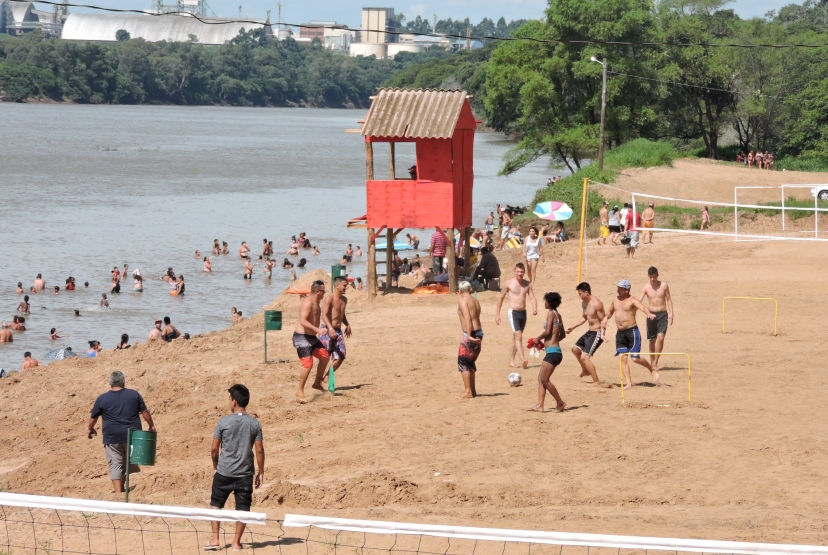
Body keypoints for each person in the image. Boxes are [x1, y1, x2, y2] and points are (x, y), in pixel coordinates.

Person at [204, 384, 264, 552]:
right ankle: (236, 543)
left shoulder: (223, 422)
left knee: (216, 504)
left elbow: (214, 448)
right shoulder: (255, 424)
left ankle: (215, 539)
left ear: (235, 402)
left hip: (224, 471)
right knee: (243, 508)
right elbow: (259, 449)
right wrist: (261, 472)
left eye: (229, 399)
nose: (229, 402)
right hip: (245, 474)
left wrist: (215, 466)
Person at [88, 371, 156, 498]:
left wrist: (89, 428)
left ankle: (118, 493)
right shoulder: (133, 394)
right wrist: (151, 425)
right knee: (127, 462)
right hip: (132, 435)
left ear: (110, 383)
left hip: (112, 436)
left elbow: (94, 417)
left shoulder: (103, 398)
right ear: (123, 381)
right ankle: (121, 490)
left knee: (115, 463)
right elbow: (144, 412)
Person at [601, 279, 659, 388]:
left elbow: (642, 307)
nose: (618, 290)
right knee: (622, 357)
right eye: (618, 288)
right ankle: (628, 383)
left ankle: (651, 369)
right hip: (620, 334)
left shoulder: (632, 300)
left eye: (620, 288)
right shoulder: (615, 300)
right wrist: (605, 318)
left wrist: (649, 314)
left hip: (632, 332)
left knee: (635, 358)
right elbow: (610, 311)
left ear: (626, 290)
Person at [293, 280, 331, 404]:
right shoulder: (308, 302)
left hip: (312, 337)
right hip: (301, 337)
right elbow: (303, 321)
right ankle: (300, 391)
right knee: (308, 364)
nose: (325, 293)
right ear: (317, 291)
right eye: (323, 291)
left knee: (325, 356)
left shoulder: (316, 302)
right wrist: (318, 330)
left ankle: (317, 383)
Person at [528, 292, 567, 413]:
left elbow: (548, 331)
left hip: (553, 353)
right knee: (540, 378)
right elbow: (563, 334)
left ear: (549, 302)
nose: (544, 303)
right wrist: (549, 343)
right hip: (553, 351)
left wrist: (537, 339)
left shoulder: (550, 313)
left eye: (545, 301)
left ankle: (560, 402)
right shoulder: (558, 314)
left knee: (545, 380)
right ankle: (540, 405)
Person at [495, 263, 538, 369]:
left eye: (522, 272)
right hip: (513, 312)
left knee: (516, 338)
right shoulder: (508, 283)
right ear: (515, 271)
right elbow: (501, 297)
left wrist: (534, 307)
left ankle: (511, 361)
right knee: (518, 336)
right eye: (518, 272)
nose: (520, 274)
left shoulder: (527, 284)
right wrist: (497, 314)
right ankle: (523, 359)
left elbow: (532, 297)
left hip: (523, 313)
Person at [565, 282, 606, 386]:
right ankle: (585, 370)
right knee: (575, 349)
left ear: (586, 292)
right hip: (589, 332)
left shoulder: (597, 304)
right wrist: (572, 327)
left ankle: (596, 381)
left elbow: (603, 320)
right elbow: (584, 317)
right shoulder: (584, 303)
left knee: (584, 357)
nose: (579, 296)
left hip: (597, 333)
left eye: (580, 293)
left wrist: (603, 334)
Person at [639, 267, 674, 372]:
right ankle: (652, 360)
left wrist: (671, 314)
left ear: (657, 275)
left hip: (663, 314)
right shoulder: (645, 287)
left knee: (661, 338)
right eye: (650, 277)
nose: (652, 279)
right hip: (651, 315)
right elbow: (638, 301)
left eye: (654, 276)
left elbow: (669, 299)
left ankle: (655, 362)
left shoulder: (664, 286)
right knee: (652, 340)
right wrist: (646, 312)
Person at [319, 276, 352, 376]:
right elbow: (324, 315)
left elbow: (341, 314)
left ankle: (327, 376)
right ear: (337, 286)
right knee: (324, 357)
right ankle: (318, 380)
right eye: (344, 286)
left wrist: (347, 324)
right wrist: (330, 328)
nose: (346, 288)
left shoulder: (344, 300)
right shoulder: (329, 298)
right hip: (327, 330)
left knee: (341, 356)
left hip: (338, 331)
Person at [456, 281, 483, 399]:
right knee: (470, 361)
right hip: (479, 332)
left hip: (470, 332)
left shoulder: (463, 301)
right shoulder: (475, 301)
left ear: (460, 291)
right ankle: (472, 390)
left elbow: (467, 318)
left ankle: (468, 392)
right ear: (470, 290)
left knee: (463, 361)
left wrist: (469, 335)